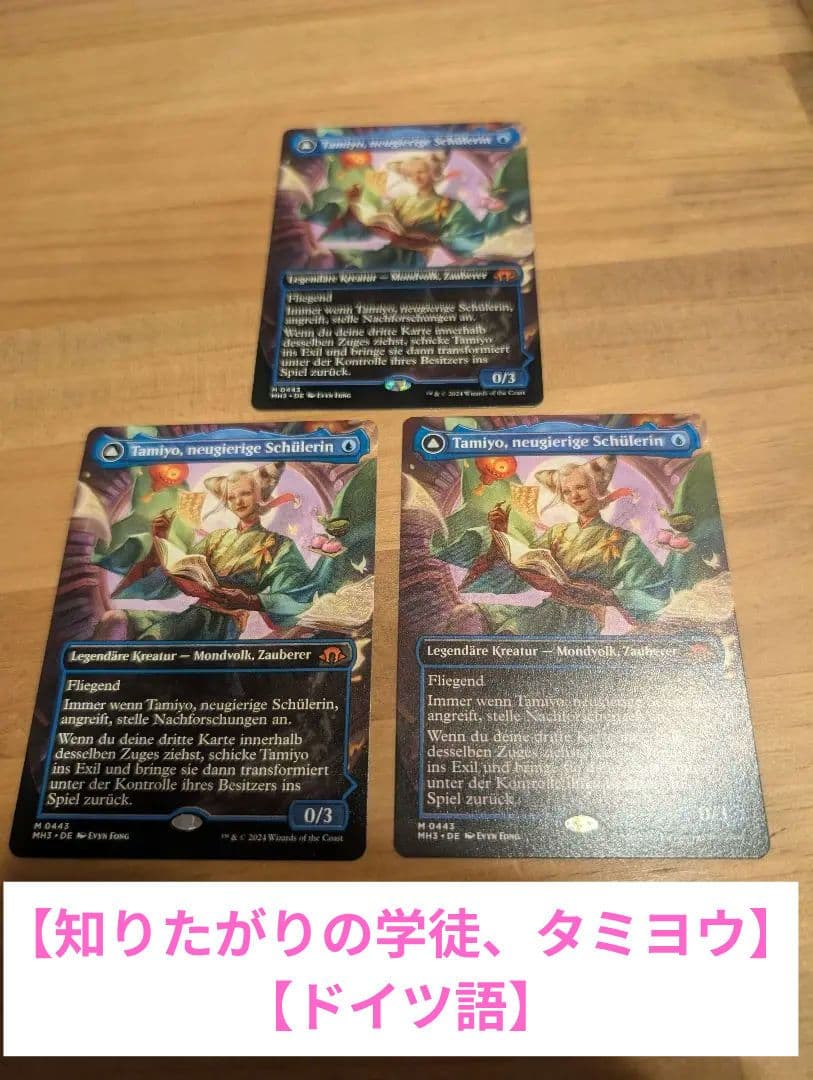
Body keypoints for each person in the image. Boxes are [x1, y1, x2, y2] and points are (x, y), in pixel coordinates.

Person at [437, 457, 669, 637]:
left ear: (597, 489)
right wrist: (501, 536)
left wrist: (606, 595)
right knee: (467, 616)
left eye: (580, 487)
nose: (574, 495)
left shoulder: (624, 539)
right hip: (549, 608)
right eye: (566, 491)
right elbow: (522, 569)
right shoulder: (557, 533)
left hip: (580, 620)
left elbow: (656, 591)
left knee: (510, 635)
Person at [93, 465, 319, 642]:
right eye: (231, 497)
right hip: (193, 614)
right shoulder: (216, 538)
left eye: (245, 494)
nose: (238, 502)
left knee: (149, 644)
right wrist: (159, 542)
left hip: (219, 627)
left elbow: (296, 596)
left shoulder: (280, 545)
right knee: (115, 619)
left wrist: (251, 600)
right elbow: (179, 573)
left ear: (260, 496)